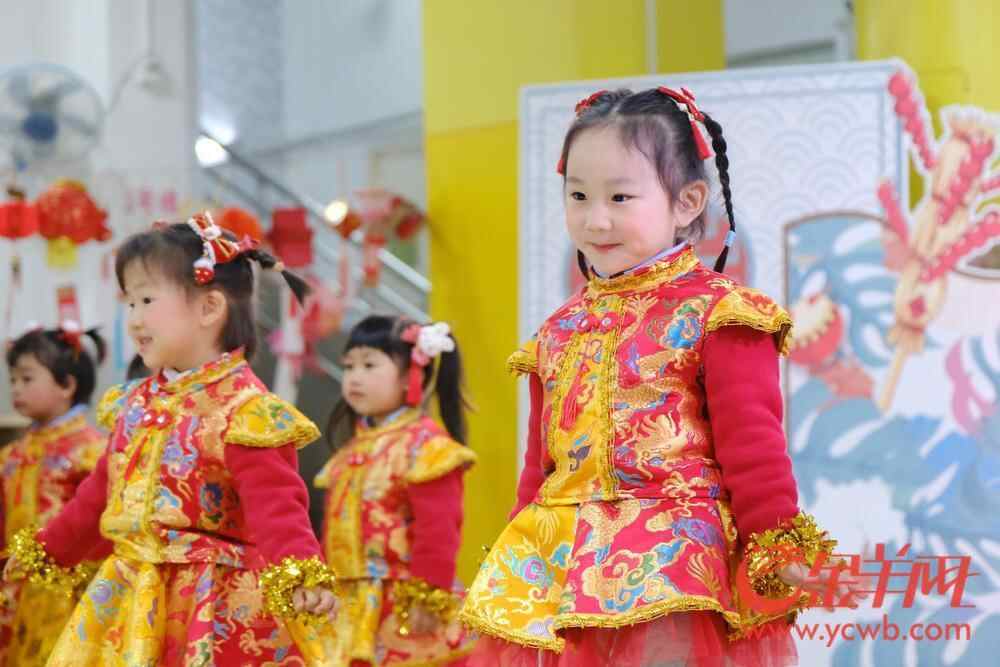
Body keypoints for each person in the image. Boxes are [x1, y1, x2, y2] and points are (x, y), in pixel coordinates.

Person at [461, 87, 866, 667]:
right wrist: (515, 554)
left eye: (620, 196)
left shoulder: (719, 312)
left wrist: (776, 545)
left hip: (674, 565)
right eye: (578, 195)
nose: (595, 219)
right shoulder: (557, 330)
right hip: (562, 563)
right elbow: (539, 468)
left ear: (687, 201)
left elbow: (754, 448)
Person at [4, 213, 338, 666]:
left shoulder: (245, 409)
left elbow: (277, 508)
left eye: (146, 300)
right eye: (130, 303)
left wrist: (300, 574)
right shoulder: (133, 404)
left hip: (210, 607)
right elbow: (99, 496)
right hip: (127, 598)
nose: (134, 320)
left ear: (209, 308)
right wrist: (47, 549)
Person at [317, 314, 477, 665]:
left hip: (403, 603)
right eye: (349, 366)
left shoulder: (426, 446)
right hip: (349, 608)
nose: (354, 377)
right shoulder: (349, 453)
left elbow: (438, 530)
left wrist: (426, 595)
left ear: (410, 375)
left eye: (369, 365)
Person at [0, 323, 112, 666]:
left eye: (27, 378)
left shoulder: (93, 453)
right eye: (13, 380)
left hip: (70, 593)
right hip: (15, 589)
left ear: (67, 385)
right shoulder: (11, 455)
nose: (16, 388)